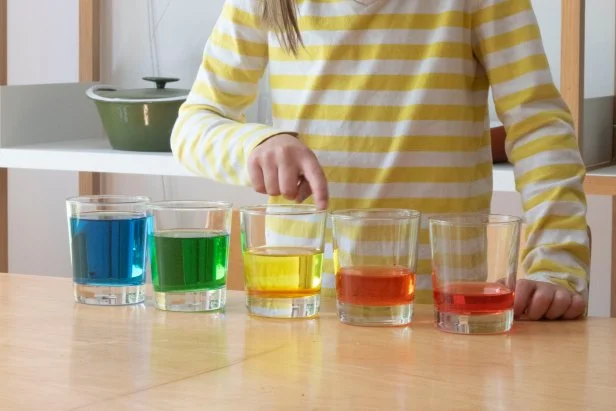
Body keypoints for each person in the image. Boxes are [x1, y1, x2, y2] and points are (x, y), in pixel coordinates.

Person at [171, 0, 590, 320]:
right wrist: (257, 145)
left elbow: (537, 126)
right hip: (303, 308)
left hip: (440, 312)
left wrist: (556, 261)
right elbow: (193, 125)